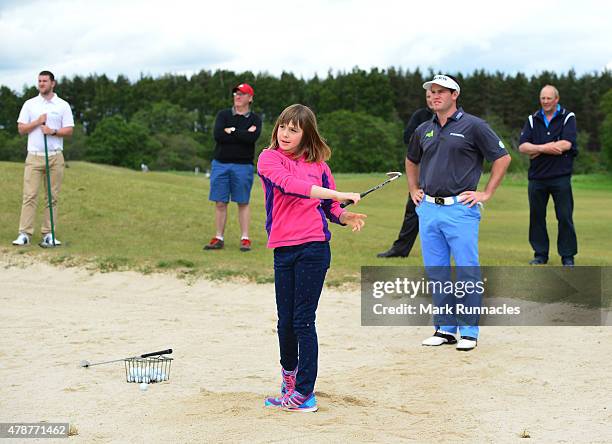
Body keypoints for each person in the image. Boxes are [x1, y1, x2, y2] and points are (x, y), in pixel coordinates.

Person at [257, 104, 366, 412]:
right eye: (282, 127)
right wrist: (336, 195)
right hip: (283, 248)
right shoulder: (269, 159)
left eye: (294, 130)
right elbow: (292, 187)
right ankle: (288, 379)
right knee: (285, 322)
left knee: (303, 320)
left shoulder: (318, 164)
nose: (285, 134)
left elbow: (330, 209)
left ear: (306, 135)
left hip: (314, 248)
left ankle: (304, 392)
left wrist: (344, 215)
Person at [406, 74, 511, 351]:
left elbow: (502, 157)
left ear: (455, 95)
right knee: (437, 272)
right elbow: (411, 159)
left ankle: (469, 331)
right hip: (428, 209)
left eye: (441, 91)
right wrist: (413, 188)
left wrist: (486, 192)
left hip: (460, 210)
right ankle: (445, 329)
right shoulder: (423, 130)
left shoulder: (474, 126)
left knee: (466, 272)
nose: (434, 96)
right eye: (431, 92)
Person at [12, 70, 74, 247]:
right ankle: (24, 234)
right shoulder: (30, 104)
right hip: (34, 157)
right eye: (39, 81)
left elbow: (69, 130)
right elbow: (21, 129)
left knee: (52, 197)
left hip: (55, 157)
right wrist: (38, 122)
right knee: (30, 195)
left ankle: (48, 234)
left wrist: (52, 131)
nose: (41, 84)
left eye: (45, 81)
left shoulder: (62, 105)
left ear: (53, 83)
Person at [518, 85, 578, 266]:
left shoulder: (568, 117)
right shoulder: (532, 119)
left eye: (549, 98)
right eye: (542, 98)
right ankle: (540, 255)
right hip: (537, 178)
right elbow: (522, 147)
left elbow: (566, 144)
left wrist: (536, 149)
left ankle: (567, 256)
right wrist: (548, 147)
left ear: (556, 99)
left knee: (565, 217)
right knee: (537, 217)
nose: (545, 101)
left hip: (561, 176)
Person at [204, 83, 262, 252]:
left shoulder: (255, 119)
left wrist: (232, 131)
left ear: (250, 98)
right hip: (220, 164)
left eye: (242, 94)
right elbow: (218, 135)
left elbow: (251, 139)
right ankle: (218, 237)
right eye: (236, 93)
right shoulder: (223, 115)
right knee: (220, 202)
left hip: (243, 166)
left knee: (243, 202)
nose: (237, 96)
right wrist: (242, 132)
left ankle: (245, 238)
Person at [378, 90, 434, 258]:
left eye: (436, 94)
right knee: (413, 210)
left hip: (449, 177)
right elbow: (407, 137)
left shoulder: (461, 121)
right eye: (428, 96)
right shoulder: (421, 116)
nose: (431, 99)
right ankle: (401, 249)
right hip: (423, 172)